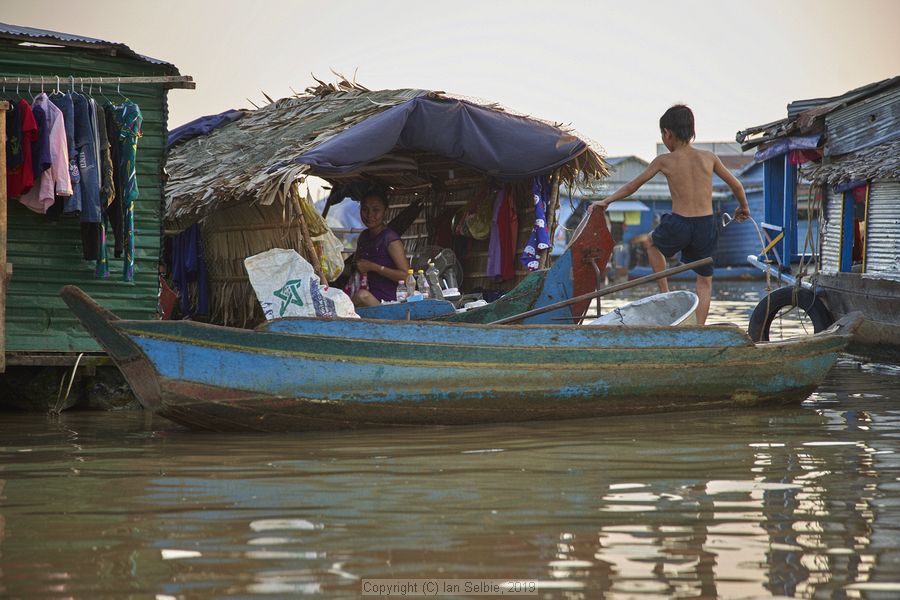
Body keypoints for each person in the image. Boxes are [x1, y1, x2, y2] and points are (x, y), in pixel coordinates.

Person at [592, 105, 750, 325]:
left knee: (651, 243)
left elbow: (633, 186)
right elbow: (737, 185)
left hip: (680, 223)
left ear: (667, 134)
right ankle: (699, 328)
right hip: (705, 224)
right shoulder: (709, 157)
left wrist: (607, 201)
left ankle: (665, 293)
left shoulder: (665, 160)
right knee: (704, 280)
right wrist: (743, 208)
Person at [350, 190, 411, 307]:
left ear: (385, 212)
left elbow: (407, 277)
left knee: (362, 296)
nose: (369, 215)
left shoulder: (390, 239)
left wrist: (374, 267)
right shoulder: (364, 237)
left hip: (390, 303)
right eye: (365, 210)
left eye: (376, 210)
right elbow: (356, 266)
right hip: (371, 298)